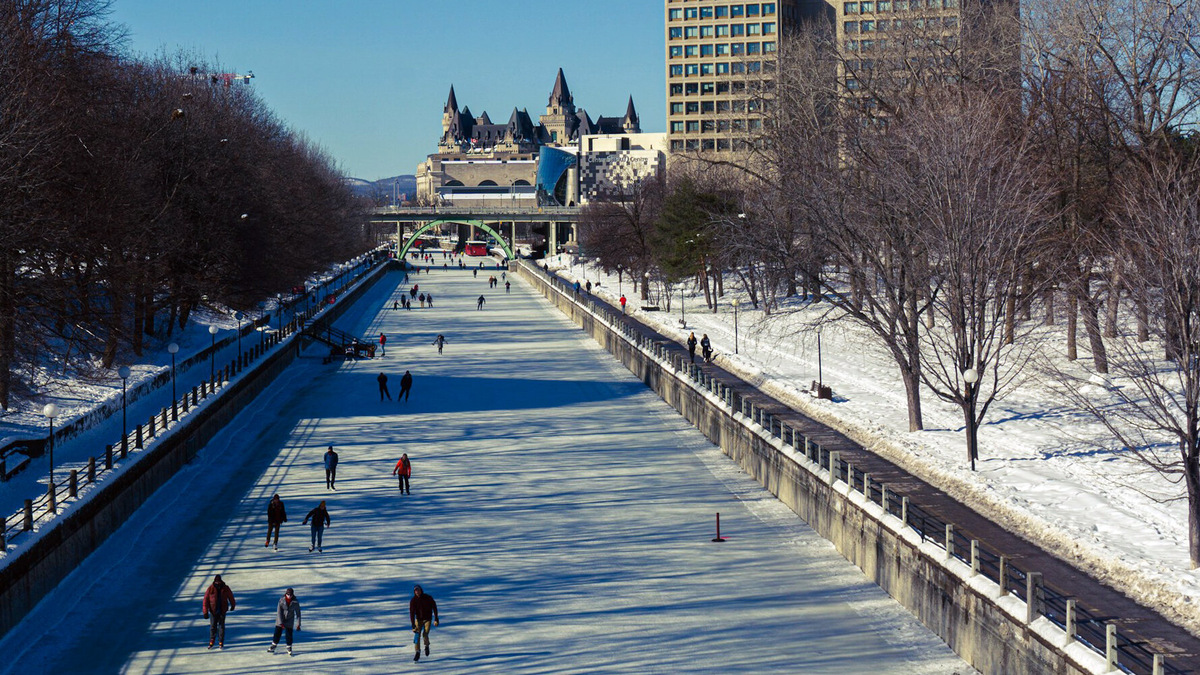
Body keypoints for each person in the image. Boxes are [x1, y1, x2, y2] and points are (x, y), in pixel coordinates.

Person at [203, 574, 237, 649]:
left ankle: (221, 641)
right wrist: (205, 612)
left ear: (221, 581)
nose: (217, 583)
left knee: (221, 626)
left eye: (218, 581)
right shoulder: (210, 588)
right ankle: (212, 640)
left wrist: (233, 605)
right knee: (213, 626)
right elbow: (205, 600)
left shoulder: (225, 588)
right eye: (216, 581)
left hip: (222, 610)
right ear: (214, 581)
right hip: (213, 610)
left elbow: (230, 596)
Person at [268, 588, 302, 655]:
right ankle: (273, 645)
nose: (289, 596)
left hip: (289, 619)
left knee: (289, 634)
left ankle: (289, 647)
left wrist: (298, 624)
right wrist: (281, 623)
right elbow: (279, 612)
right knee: (277, 632)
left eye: (290, 594)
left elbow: (298, 613)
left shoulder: (295, 602)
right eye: (288, 594)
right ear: (285, 594)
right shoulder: (281, 600)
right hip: (281, 619)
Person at [409, 585, 439, 662]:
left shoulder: (428, 598)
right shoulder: (413, 601)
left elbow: (434, 607)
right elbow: (412, 613)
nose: (417, 592)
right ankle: (417, 652)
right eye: (415, 591)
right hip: (418, 619)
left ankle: (427, 646)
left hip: (427, 619)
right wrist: (413, 624)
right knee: (417, 635)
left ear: (421, 590)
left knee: (425, 634)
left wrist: (436, 619)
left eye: (418, 590)